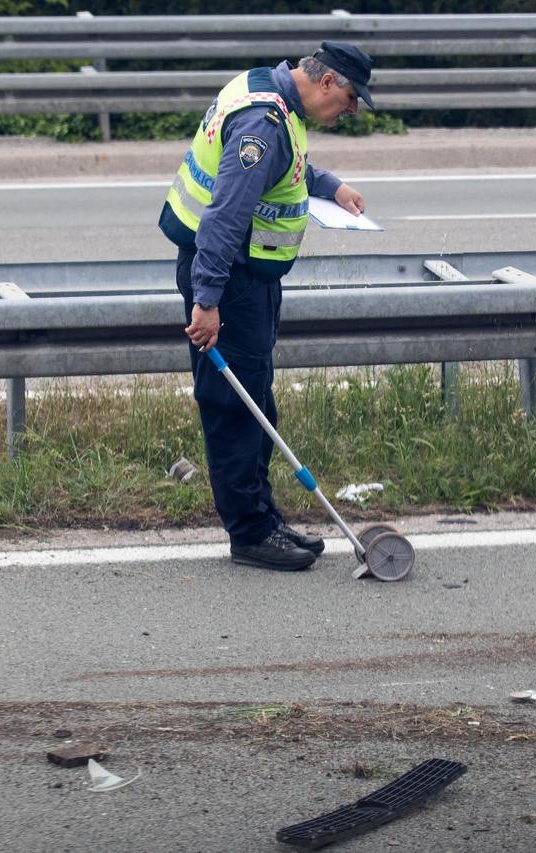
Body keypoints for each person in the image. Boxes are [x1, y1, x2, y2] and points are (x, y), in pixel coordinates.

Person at [158, 42, 376, 572]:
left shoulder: (270, 90)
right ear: (325, 82)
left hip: (246, 277)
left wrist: (329, 184)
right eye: (349, 99)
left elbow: (283, 169)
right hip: (227, 280)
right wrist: (207, 300)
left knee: (256, 399)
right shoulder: (266, 124)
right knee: (235, 407)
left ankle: (263, 515)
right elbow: (226, 215)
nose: (350, 111)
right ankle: (250, 534)